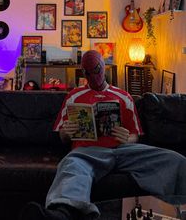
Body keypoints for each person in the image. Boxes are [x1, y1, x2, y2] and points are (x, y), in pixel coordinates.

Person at [20, 50, 186, 220]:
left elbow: (135, 135)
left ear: (104, 67)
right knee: (71, 166)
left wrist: (126, 137)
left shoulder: (124, 96)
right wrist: (67, 133)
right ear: (83, 72)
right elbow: (61, 136)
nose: (93, 76)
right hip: (86, 153)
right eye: (88, 72)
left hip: (123, 150)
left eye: (97, 70)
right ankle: (61, 213)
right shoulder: (73, 96)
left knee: (175, 160)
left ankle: (181, 207)